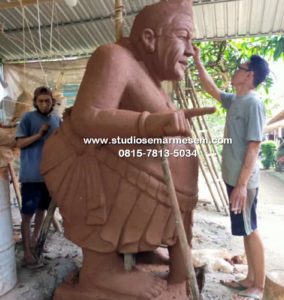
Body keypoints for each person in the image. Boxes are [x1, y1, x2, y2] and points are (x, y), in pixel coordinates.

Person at [41, 0, 215, 299]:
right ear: (149, 38)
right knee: (111, 173)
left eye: (192, 40)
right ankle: (101, 272)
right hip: (87, 166)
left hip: (154, 183)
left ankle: (150, 254)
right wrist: (152, 124)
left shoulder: (152, 79)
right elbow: (87, 117)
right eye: (183, 37)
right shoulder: (114, 57)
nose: (190, 50)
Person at [193, 47, 269, 300]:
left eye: (241, 68)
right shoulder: (236, 100)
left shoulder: (253, 103)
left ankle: (259, 285)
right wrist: (197, 60)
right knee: (244, 229)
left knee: (251, 228)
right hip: (234, 179)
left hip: (243, 182)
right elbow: (211, 88)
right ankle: (249, 278)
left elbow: (254, 146)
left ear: (250, 76)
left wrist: (241, 184)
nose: (236, 71)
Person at [16, 86, 60, 268]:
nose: (44, 104)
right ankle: (26, 253)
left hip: (50, 176)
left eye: (47, 101)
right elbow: (18, 143)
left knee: (42, 211)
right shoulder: (27, 118)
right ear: (35, 102)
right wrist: (38, 135)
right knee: (27, 215)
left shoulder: (57, 119)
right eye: (40, 101)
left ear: (52, 102)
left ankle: (35, 243)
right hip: (32, 176)